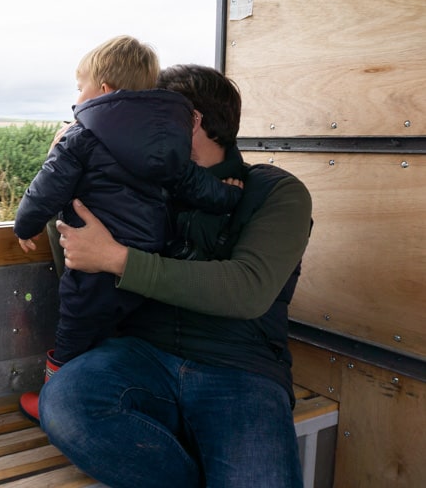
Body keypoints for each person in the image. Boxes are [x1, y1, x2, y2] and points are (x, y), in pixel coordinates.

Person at [39, 64, 313, 488]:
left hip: (241, 371)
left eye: (148, 117)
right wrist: (68, 173)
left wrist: (119, 259)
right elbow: (78, 261)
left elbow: (248, 291)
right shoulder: (140, 187)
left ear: (192, 120)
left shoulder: (277, 192)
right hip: (142, 355)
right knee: (65, 404)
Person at [13, 38, 242, 422]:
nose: (77, 96)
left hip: (93, 265)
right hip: (147, 254)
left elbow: (48, 186)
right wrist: (227, 196)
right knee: (120, 330)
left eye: (79, 86)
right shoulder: (168, 144)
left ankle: (54, 401)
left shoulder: (80, 135)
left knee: (74, 329)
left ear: (103, 89)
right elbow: (192, 185)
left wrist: (26, 224)